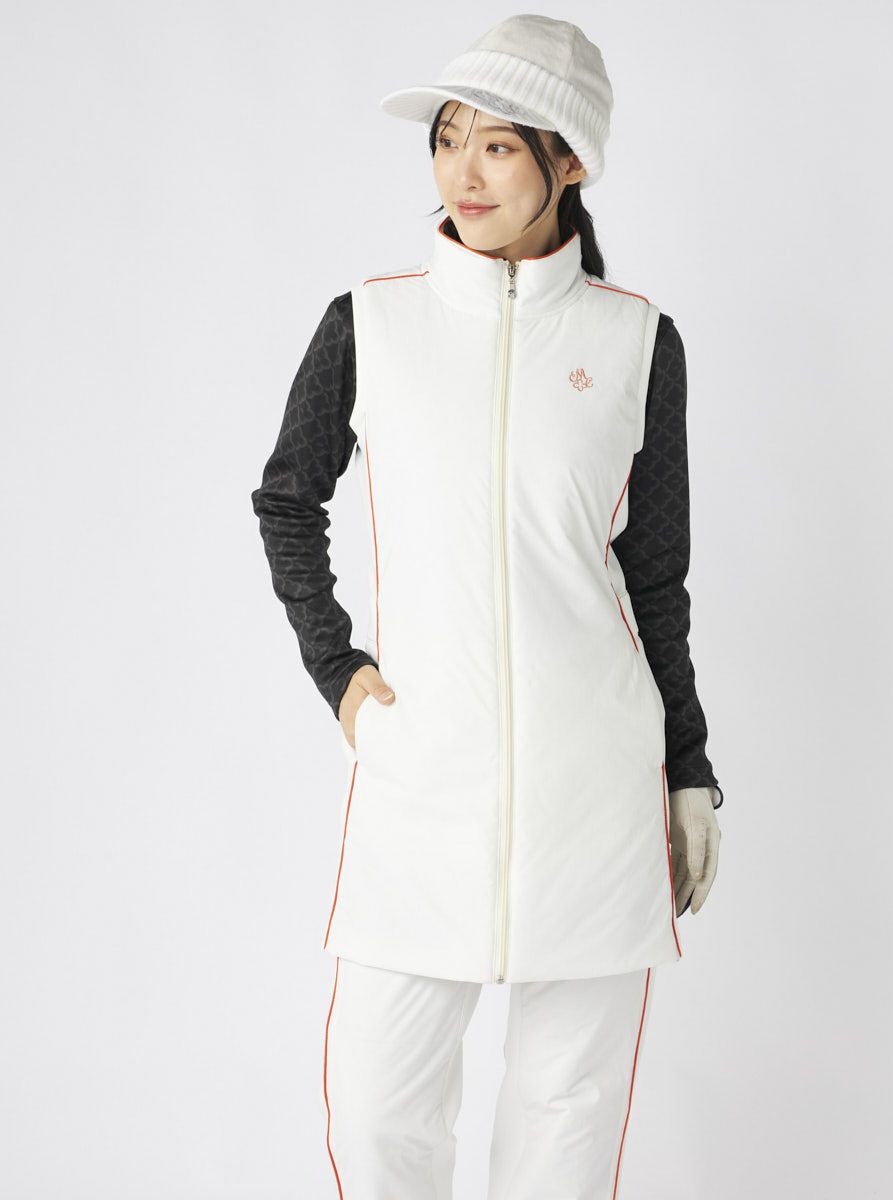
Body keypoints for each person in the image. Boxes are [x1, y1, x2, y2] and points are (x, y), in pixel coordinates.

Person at [250, 14, 724, 1198]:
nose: (461, 171)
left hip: (595, 789)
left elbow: (653, 577)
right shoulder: (371, 324)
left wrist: (687, 768)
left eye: (499, 146)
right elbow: (286, 500)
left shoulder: (636, 343)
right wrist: (339, 670)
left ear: (570, 163)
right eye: (447, 139)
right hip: (424, 780)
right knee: (379, 1116)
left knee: (566, 1124)